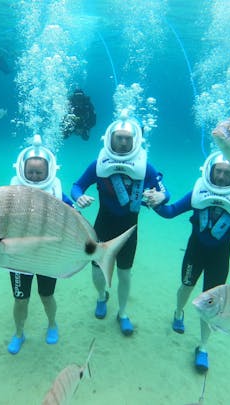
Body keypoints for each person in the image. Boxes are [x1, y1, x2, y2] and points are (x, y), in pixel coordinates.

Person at [144, 151, 230, 372]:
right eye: (218, 172)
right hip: (195, 251)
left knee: (212, 302)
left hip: (220, 259)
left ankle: (203, 347)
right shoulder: (198, 193)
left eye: (227, 173)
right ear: (210, 172)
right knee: (186, 287)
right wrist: (154, 202)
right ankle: (178, 313)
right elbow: (171, 211)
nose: (222, 177)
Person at [71, 110, 170, 336]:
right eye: (119, 138)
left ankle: (123, 312)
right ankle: (101, 296)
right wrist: (79, 197)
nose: (123, 142)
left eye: (128, 138)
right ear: (110, 138)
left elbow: (166, 191)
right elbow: (77, 186)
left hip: (129, 228)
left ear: (136, 140)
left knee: (125, 272)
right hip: (102, 225)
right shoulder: (98, 163)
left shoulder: (146, 166)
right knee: (96, 267)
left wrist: (160, 197)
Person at [6, 134, 74, 354]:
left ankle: (52, 324)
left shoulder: (57, 191)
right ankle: (18, 333)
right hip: (18, 257)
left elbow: (72, 214)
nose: (34, 177)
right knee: (20, 300)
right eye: (30, 172)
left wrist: (78, 204)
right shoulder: (10, 192)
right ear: (22, 170)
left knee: (47, 296)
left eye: (39, 173)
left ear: (48, 172)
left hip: (47, 256)